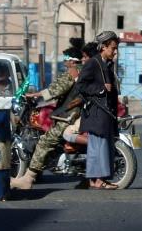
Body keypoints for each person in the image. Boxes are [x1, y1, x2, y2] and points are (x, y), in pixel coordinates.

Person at [10, 38, 86, 190]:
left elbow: (55, 90)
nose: (64, 62)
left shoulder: (72, 72)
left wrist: (35, 95)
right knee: (52, 141)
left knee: (45, 142)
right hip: (74, 112)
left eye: (66, 59)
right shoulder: (82, 70)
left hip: (69, 115)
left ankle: (28, 179)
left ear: (72, 61)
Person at [78, 31, 120, 190]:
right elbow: (81, 85)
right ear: (103, 47)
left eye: (115, 48)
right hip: (96, 112)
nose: (114, 52)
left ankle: (99, 179)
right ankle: (96, 180)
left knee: (104, 146)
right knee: (98, 146)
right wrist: (101, 89)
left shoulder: (107, 64)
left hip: (106, 112)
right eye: (112, 48)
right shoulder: (93, 63)